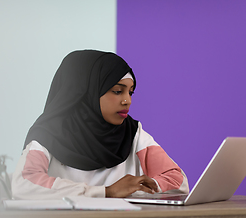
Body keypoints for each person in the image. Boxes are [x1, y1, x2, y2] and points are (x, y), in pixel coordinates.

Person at [12, 50, 189, 200]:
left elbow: (179, 183)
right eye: (118, 91)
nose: (127, 101)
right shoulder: (48, 135)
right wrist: (107, 192)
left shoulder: (132, 133)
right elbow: (24, 184)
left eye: (131, 92)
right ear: (85, 92)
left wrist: (140, 188)